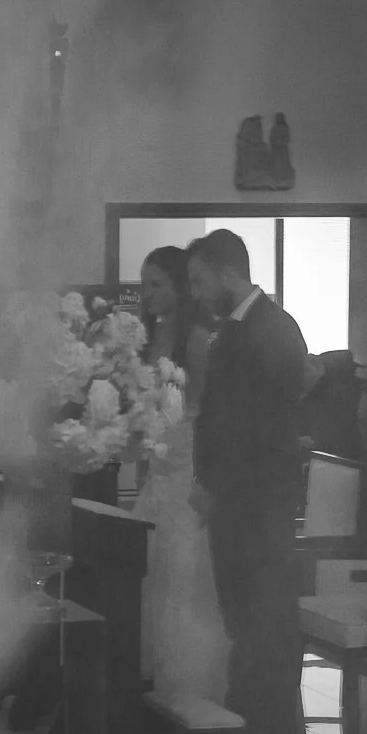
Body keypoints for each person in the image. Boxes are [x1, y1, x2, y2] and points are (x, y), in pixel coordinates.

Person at [186, 229, 310, 734]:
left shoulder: (273, 330)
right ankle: (246, 713)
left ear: (228, 273)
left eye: (199, 280)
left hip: (259, 501)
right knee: (241, 612)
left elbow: (260, 427)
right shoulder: (238, 328)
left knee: (266, 613)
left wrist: (217, 485)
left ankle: (272, 727)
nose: (196, 292)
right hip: (237, 499)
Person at [131, 246, 231, 705]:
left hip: (184, 462)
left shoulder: (196, 338)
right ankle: (153, 686)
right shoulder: (151, 336)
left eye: (156, 284)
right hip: (157, 466)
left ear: (178, 287)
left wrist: (166, 429)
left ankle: (191, 688)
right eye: (144, 284)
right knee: (149, 574)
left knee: (182, 576)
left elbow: (205, 410)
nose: (146, 293)